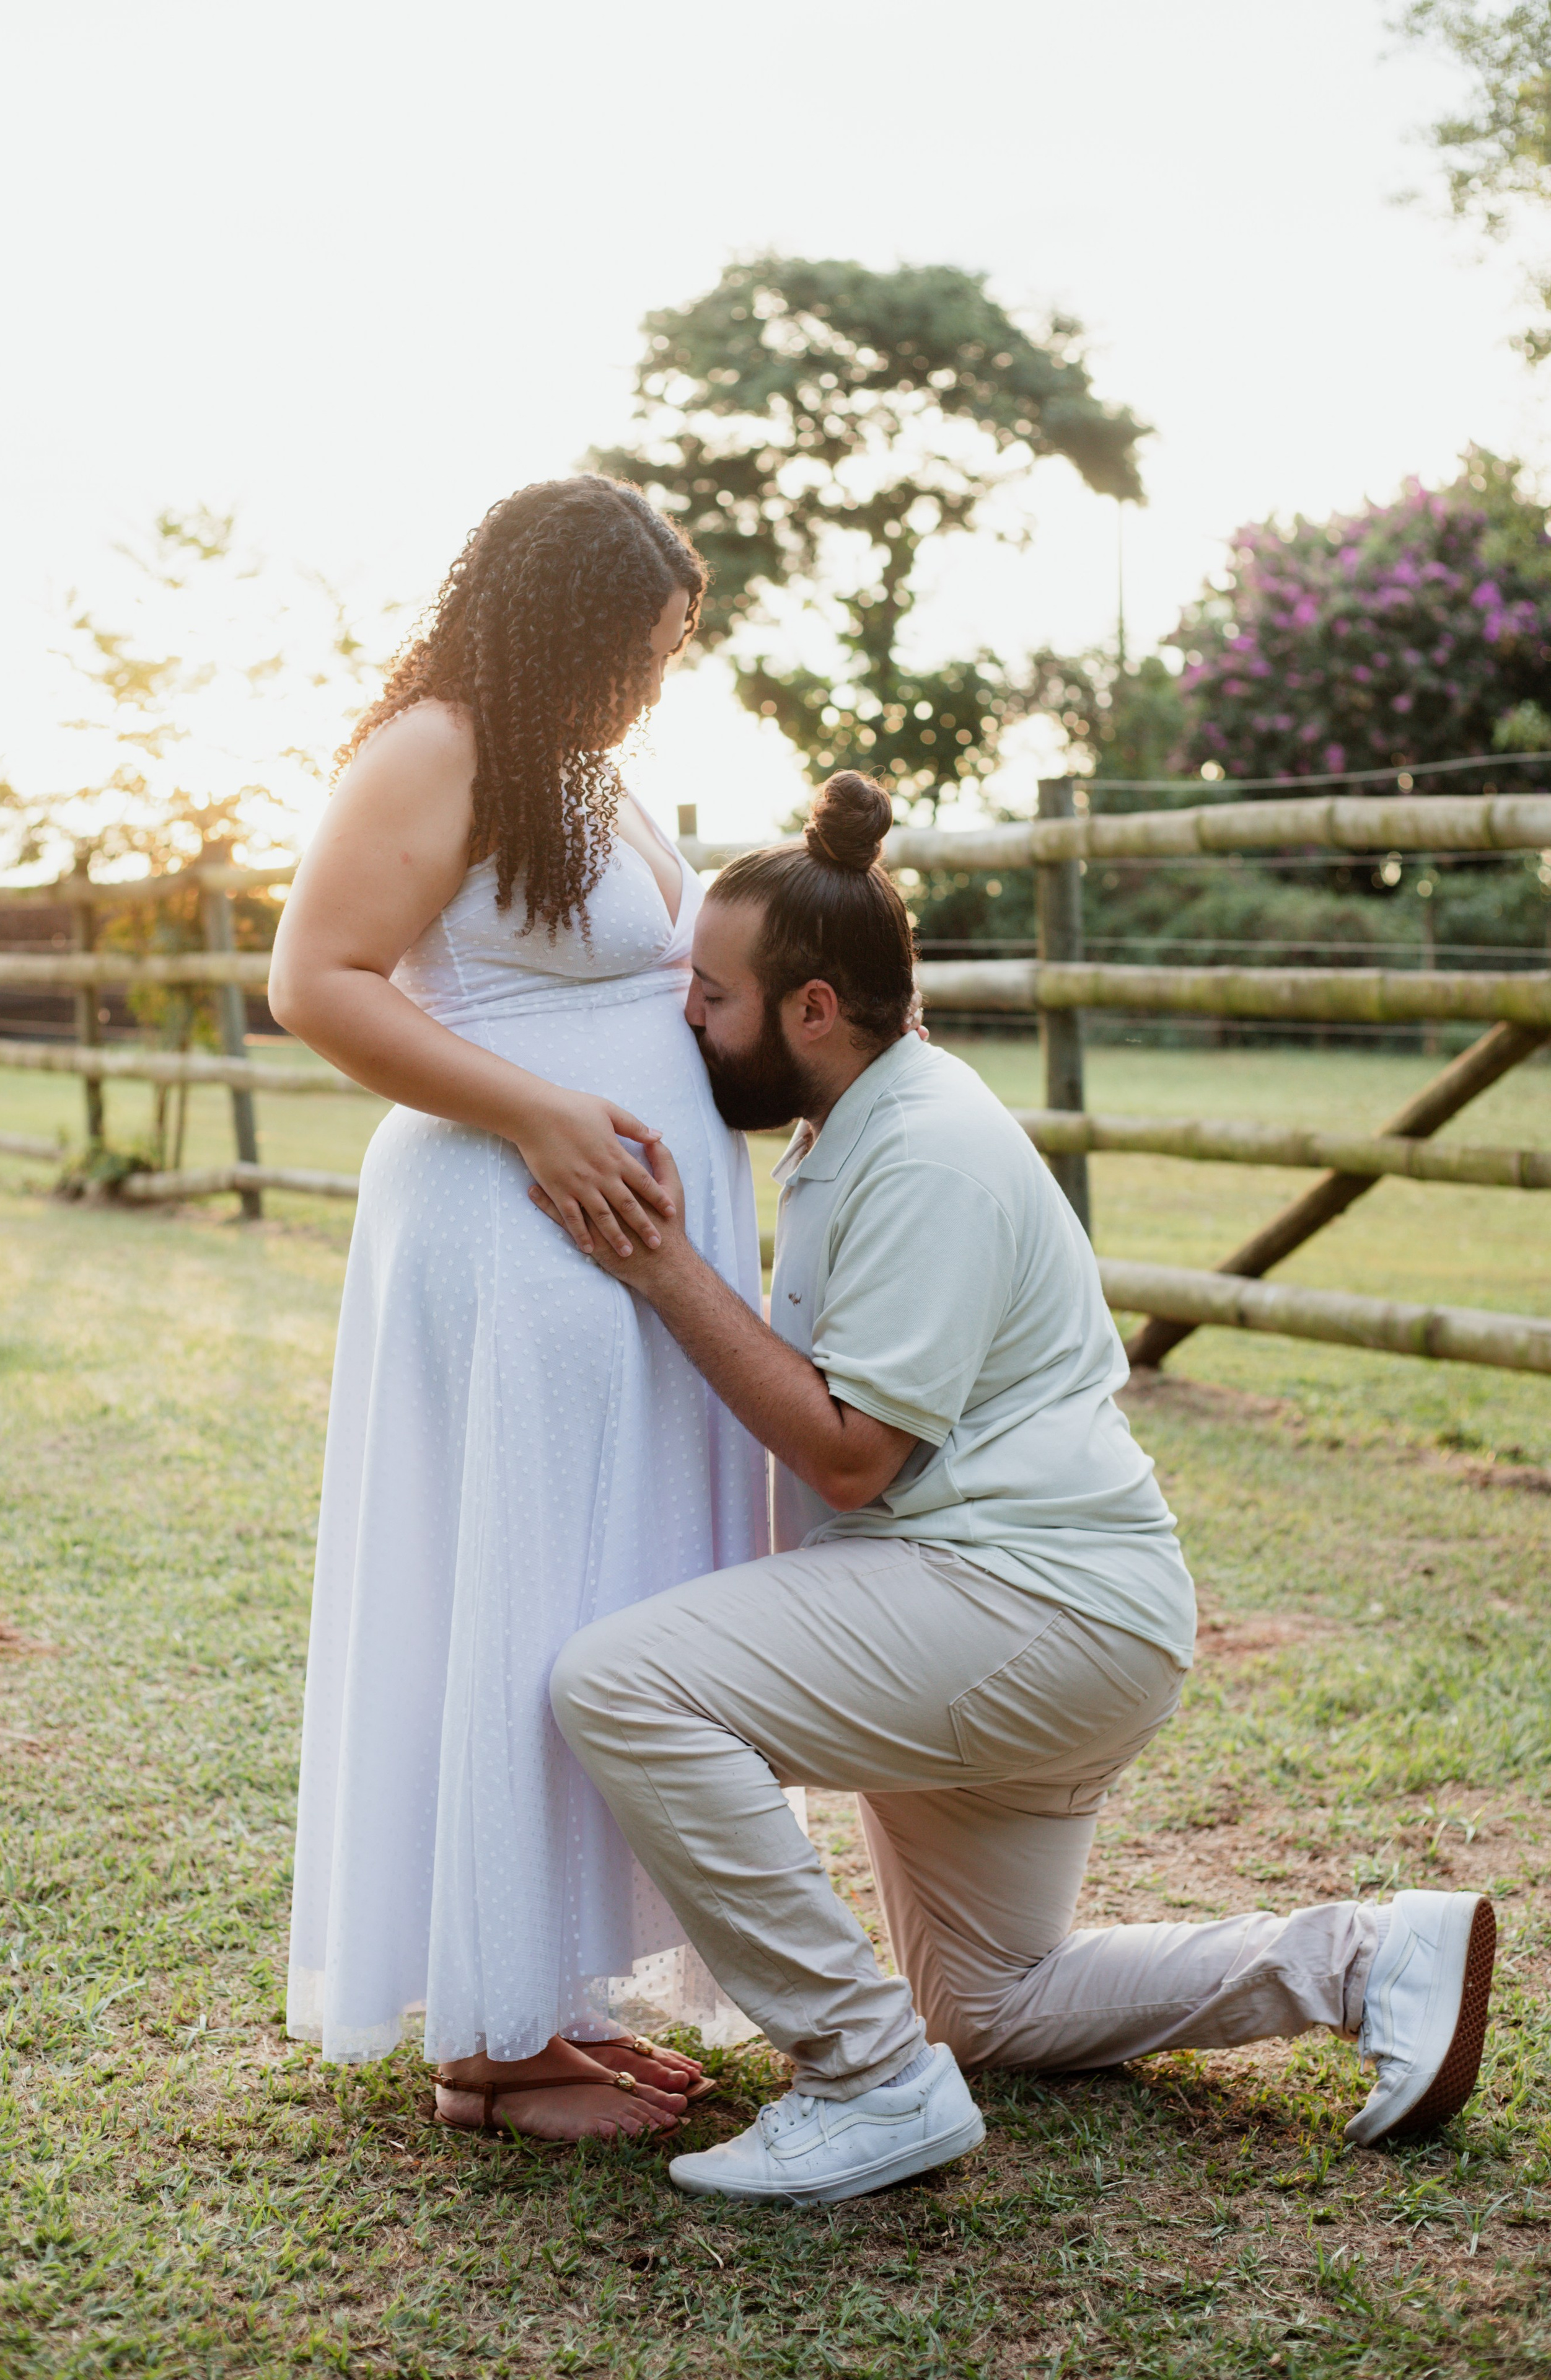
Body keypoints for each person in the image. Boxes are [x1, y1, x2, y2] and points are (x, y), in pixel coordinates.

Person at [541, 769, 1497, 2204]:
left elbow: (854, 1453)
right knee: (984, 2007)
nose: (686, 1018)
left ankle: (861, 2080)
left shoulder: (923, 1148)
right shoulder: (861, 1117)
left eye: (710, 998)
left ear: (813, 1010)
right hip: (1020, 1613)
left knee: (619, 1685)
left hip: (1023, 1605)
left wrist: (659, 1258)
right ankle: (1362, 1956)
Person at [269, 477, 767, 2142]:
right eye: (641, 649)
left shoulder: (569, 761)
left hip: (600, 1253)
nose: (655, 680)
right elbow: (318, 979)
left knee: (597, 1601)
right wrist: (541, 1117)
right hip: (510, 1232)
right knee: (524, 1590)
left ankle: (549, 1991)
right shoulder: (435, 747)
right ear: (558, 623)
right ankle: (487, 2048)